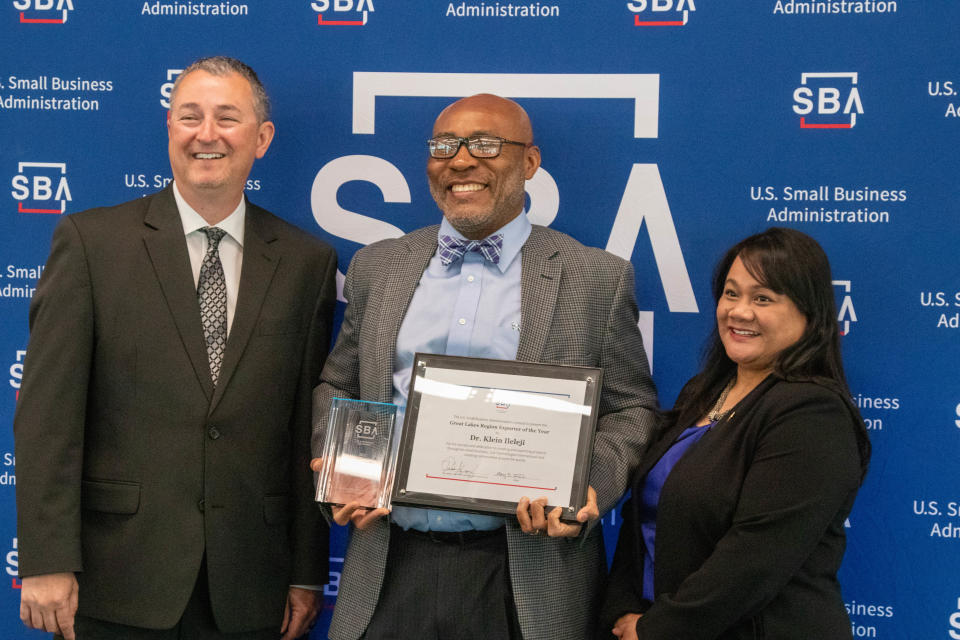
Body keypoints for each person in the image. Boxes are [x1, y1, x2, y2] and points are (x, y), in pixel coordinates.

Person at [310, 93, 658, 640]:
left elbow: (630, 408)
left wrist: (586, 486)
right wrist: (349, 466)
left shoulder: (596, 278)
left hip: (528, 571)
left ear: (530, 163)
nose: (461, 160)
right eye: (444, 145)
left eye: (486, 145)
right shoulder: (379, 266)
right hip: (389, 564)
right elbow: (340, 382)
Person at [14, 56, 337, 640]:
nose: (206, 134)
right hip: (117, 579)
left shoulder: (306, 263)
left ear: (261, 139)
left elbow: (302, 431)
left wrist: (307, 572)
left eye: (226, 118)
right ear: (169, 129)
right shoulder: (92, 244)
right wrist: (45, 559)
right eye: (189, 117)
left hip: (250, 586)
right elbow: (47, 418)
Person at [599, 227, 871, 640]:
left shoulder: (813, 414)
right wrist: (623, 610)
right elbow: (645, 521)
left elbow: (755, 558)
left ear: (809, 314)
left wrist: (658, 629)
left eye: (763, 298)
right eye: (731, 293)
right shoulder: (703, 390)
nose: (739, 311)